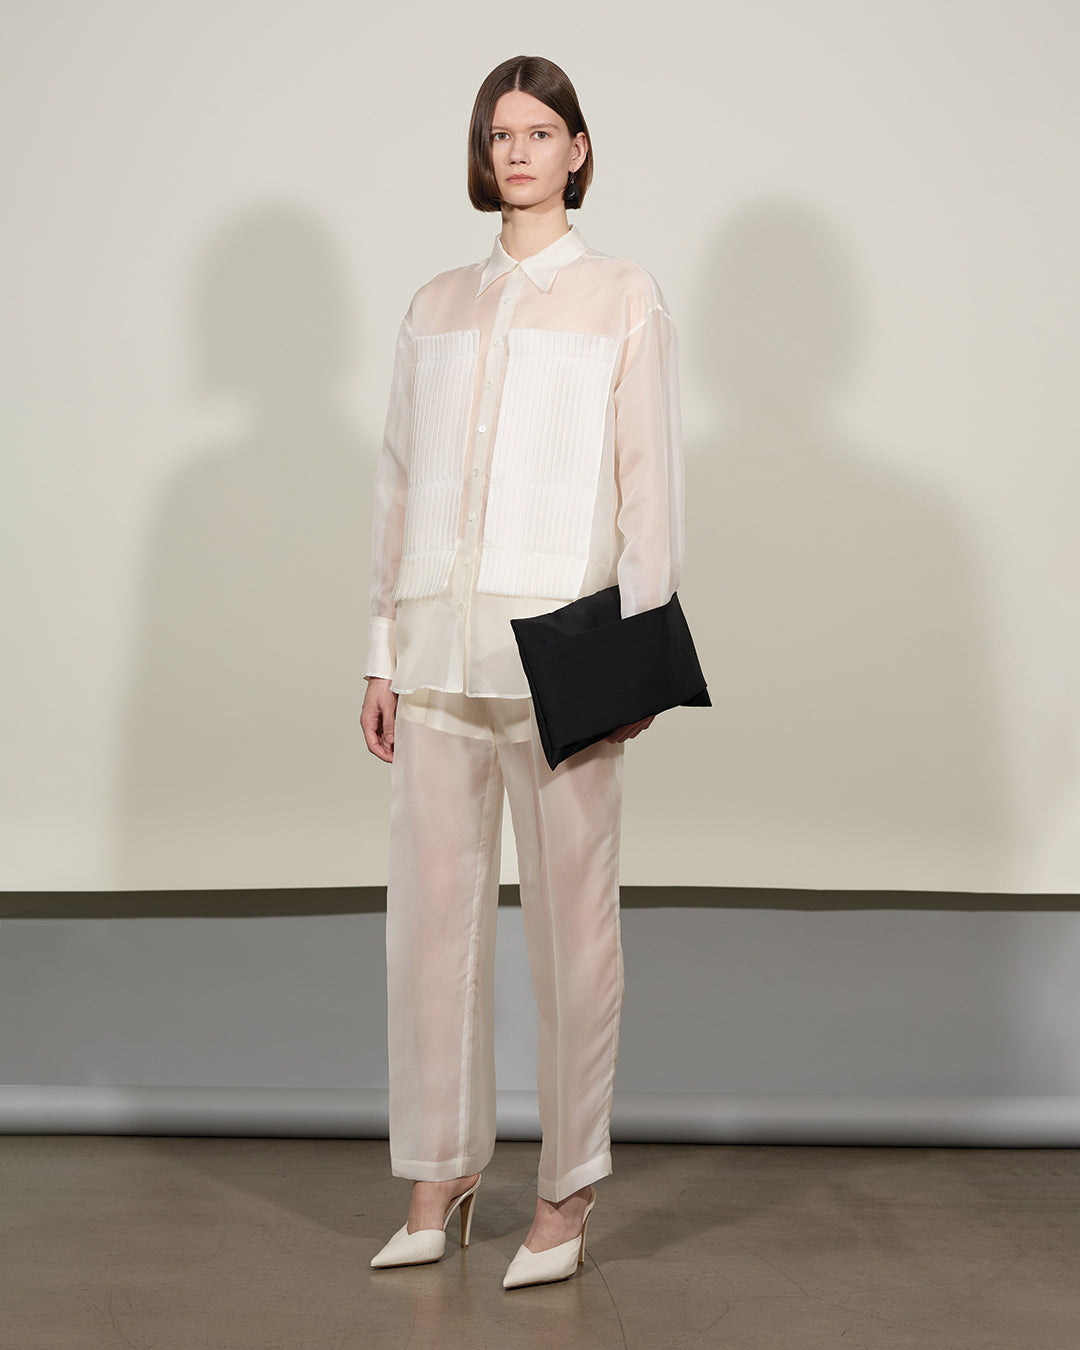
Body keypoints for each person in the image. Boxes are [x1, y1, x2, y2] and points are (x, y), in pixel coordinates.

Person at [360, 54, 684, 1289]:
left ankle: (566, 1189)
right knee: (429, 930)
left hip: (564, 661)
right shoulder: (436, 304)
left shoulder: (620, 296)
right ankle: (436, 1176)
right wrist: (381, 653)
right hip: (438, 655)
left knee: (573, 932)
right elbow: (397, 485)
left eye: (541, 132)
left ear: (577, 151)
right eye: (501, 133)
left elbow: (649, 484)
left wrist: (636, 658)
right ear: (483, 152)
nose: (518, 152)